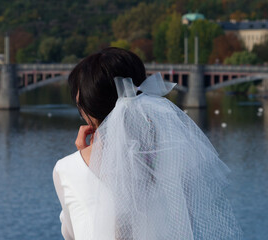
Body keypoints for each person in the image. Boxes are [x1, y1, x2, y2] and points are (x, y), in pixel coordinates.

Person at [53, 47, 242, 240]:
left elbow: (72, 233)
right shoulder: (176, 158)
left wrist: (84, 158)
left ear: (88, 107)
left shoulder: (67, 169)